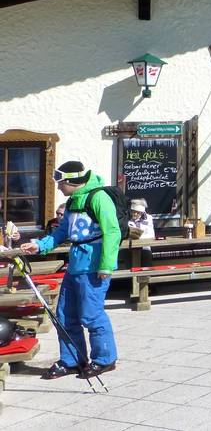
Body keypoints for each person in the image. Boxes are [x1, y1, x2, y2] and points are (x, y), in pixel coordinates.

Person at [21, 161, 119, 379]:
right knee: (65, 316)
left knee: (91, 315)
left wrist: (106, 265)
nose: (58, 187)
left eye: (60, 182)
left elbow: (112, 232)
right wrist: (40, 246)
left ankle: (105, 359)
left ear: (72, 181)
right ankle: (72, 360)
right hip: (75, 266)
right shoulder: (73, 201)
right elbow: (62, 231)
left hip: (93, 268)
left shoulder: (99, 198)